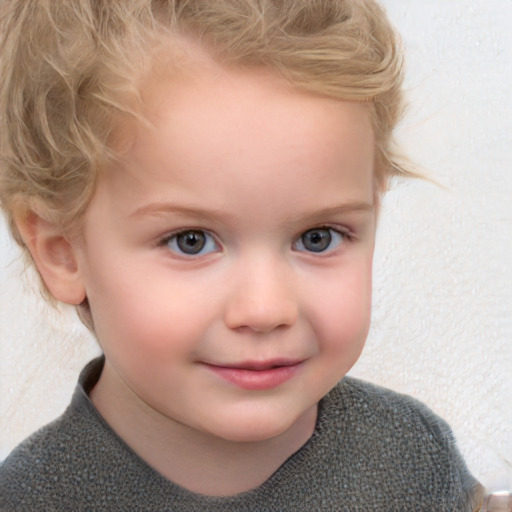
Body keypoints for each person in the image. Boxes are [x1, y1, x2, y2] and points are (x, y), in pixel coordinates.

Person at [0, 0, 485, 509]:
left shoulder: (409, 457)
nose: (266, 309)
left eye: (318, 237)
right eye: (192, 241)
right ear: (62, 252)